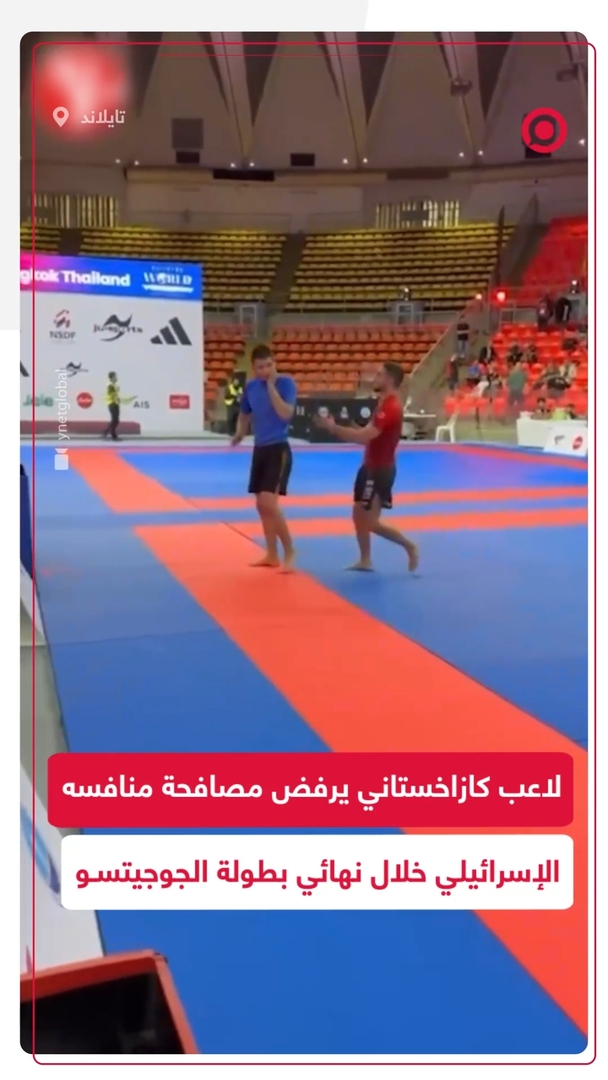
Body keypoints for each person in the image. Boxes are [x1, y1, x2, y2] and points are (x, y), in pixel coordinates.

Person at [315, 362, 418, 573]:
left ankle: (408, 545)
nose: (374, 378)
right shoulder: (382, 404)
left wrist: (334, 428)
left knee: (370, 522)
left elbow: (364, 437)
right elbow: (369, 437)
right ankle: (365, 560)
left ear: (389, 380)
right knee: (357, 515)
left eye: (379, 375)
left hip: (380, 471)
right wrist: (350, 427)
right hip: (369, 466)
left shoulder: (390, 407)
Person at [231, 344, 297, 572]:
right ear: (254, 368)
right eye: (260, 367)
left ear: (274, 363)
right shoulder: (250, 387)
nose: (266, 370)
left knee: (269, 502)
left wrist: (271, 387)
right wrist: (240, 432)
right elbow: (244, 414)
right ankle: (271, 554)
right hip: (259, 449)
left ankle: (290, 551)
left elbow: (285, 414)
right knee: (261, 505)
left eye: (269, 365)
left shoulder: (285, 383)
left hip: (279, 449)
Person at [103, 372, 121, 441]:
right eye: (115, 376)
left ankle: (106, 432)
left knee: (116, 420)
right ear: (112, 377)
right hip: (112, 403)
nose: (117, 378)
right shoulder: (110, 385)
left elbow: (115, 394)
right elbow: (111, 394)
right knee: (115, 420)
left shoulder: (114, 384)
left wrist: (118, 399)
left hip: (115, 403)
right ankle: (112, 435)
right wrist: (116, 399)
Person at [224, 372, 243, 436]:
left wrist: (240, 397)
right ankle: (230, 431)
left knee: (237, 418)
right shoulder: (229, 387)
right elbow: (227, 396)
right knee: (230, 418)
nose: (236, 382)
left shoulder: (240, 388)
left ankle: (236, 431)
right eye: (235, 381)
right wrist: (235, 396)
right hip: (230, 404)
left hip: (237, 404)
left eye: (237, 381)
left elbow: (241, 395)